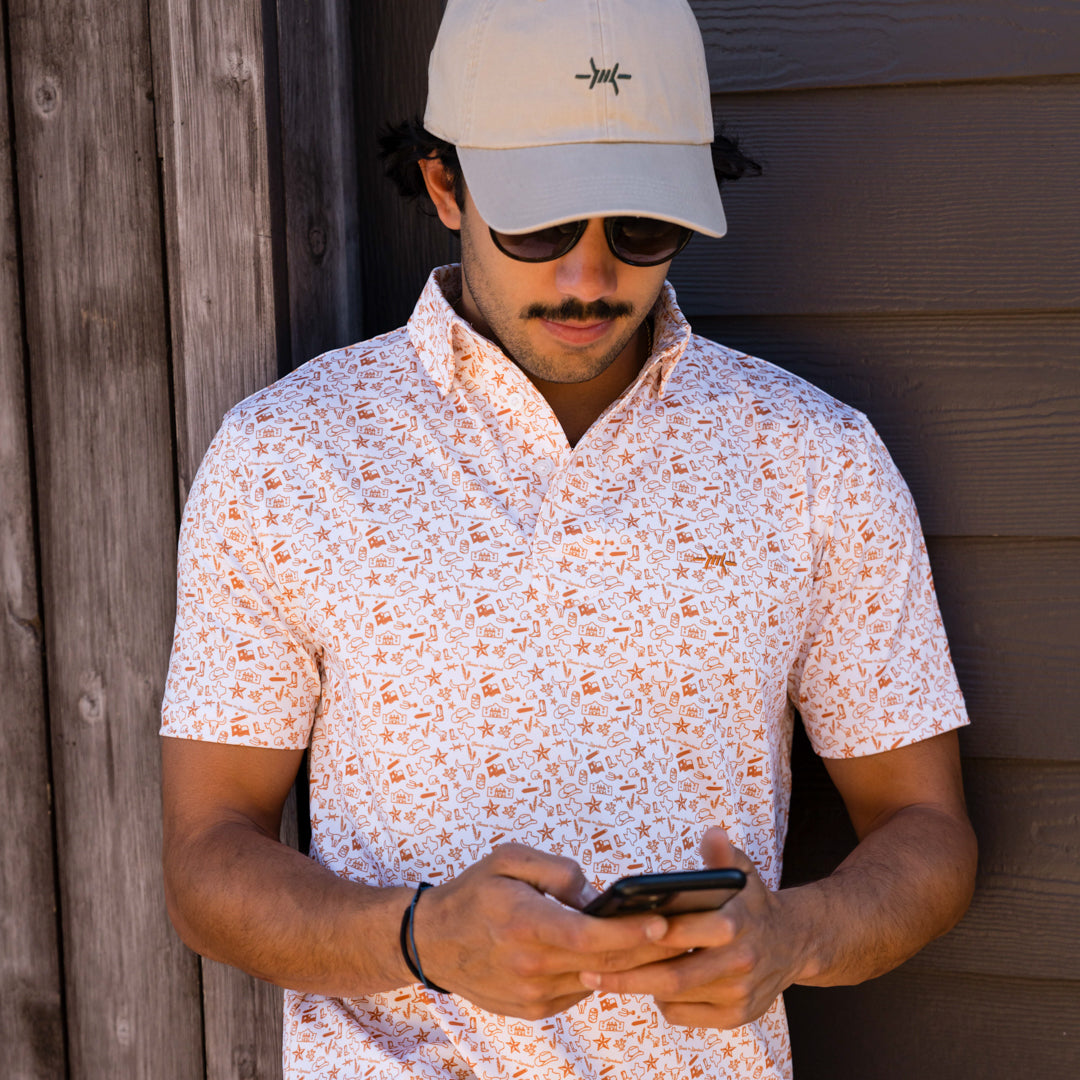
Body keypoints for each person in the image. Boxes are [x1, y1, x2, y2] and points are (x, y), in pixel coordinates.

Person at [160, 1, 977, 1077]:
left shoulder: (815, 459)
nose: (590, 279)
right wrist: (420, 940)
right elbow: (206, 859)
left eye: (639, 229)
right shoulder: (289, 455)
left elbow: (927, 830)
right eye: (541, 228)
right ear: (446, 187)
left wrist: (798, 940)